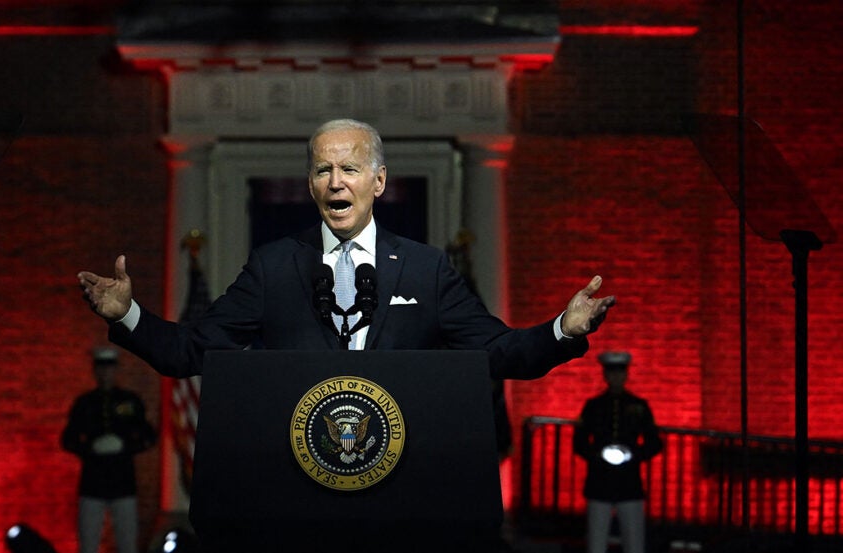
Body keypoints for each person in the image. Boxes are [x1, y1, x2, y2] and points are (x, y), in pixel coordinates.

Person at [77, 117, 615, 379]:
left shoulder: (426, 270)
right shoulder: (273, 266)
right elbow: (191, 351)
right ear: (310, 183)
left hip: (398, 477)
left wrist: (561, 330)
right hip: (299, 478)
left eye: (350, 169)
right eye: (323, 170)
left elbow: (498, 353)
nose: (336, 182)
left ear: (377, 182)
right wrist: (129, 316)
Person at [62, 347, 157, 553]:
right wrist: (90, 448)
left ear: (116, 371)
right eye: (101, 369)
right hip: (92, 483)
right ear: (95, 371)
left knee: (127, 543)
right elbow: (67, 439)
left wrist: (125, 446)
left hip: (123, 482)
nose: (105, 374)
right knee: (88, 543)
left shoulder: (130, 401)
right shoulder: (85, 404)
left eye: (109, 369)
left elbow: (149, 436)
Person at [573, 351, 663, 553]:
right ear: (605, 375)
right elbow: (579, 443)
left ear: (625, 375)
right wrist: (598, 454)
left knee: (634, 543)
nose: (616, 377)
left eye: (620, 372)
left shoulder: (639, 406)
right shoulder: (593, 406)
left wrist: (632, 454)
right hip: (599, 481)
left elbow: (654, 442)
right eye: (611, 373)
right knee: (596, 543)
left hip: (628, 482)